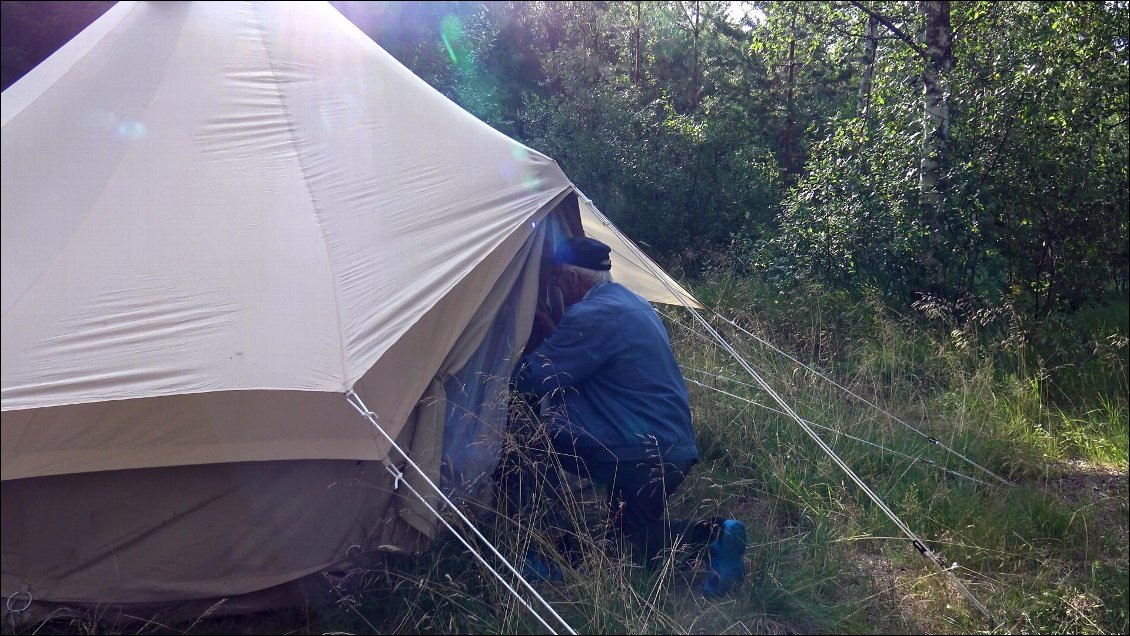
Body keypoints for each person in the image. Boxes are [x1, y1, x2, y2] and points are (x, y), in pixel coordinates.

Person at [508, 236, 746, 597]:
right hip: (670, 448)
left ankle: (525, 549)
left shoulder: (590, 315)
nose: (555, 287)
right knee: (632, 542)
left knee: (522, 449)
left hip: (633, 451)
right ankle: (717, 534)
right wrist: (557, 334)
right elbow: (599, 362)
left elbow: (531, 379)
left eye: (557, 280)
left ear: (572, 279)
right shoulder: (632, 303)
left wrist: (524, 344)